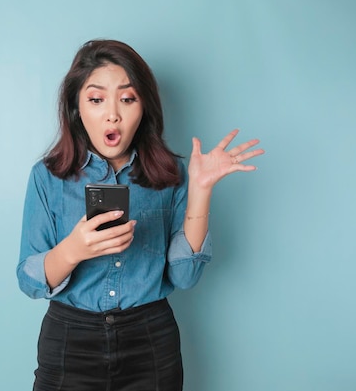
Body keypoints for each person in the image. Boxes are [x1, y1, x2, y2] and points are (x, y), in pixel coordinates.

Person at [17, 39, 264, 391]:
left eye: (127, 98)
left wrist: (201, 189)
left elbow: (184, 276)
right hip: (71, 340)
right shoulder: (48, 176)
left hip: (150, 340)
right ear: (76, 107)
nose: (112, 113)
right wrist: (73, 249)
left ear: (144, 107)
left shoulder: (173, 174)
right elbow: (29, 280)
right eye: (96, 99)